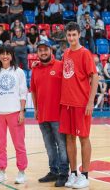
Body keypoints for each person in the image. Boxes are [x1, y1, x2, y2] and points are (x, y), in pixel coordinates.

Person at [59, 22, 98, 189]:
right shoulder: (66, 53)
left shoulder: (85, 53)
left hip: (81, 103)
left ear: (79, 34)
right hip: (66, 103)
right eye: (69, 35)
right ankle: (73, 173)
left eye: (74, 35)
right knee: (69, 138)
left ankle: (85, 175)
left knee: (84, 138)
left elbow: (95, 77)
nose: (71, 38)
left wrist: (90, 101)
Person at [31, 40, 69, 187]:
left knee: (61, 145)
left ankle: (64, 173)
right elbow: (34, 91)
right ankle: (53, 171)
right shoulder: (35, 69)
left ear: (50, 50)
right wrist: (35, 109)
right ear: (37, 53)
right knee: (49, 146)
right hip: (42, 115)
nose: (43, 53)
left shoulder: (60, 65)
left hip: (58, 115)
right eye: (40, 50)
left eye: (45, 49)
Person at [0, 45, 28, 184]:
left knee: (19, 144)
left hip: (15, 112)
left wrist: (22, 111)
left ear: (12, 56)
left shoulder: (19, 72)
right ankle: (2, 171)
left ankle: (21, 172)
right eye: (2, 54)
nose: (5, 56)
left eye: (8, 54)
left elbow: (23, 93)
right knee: (0, 145)